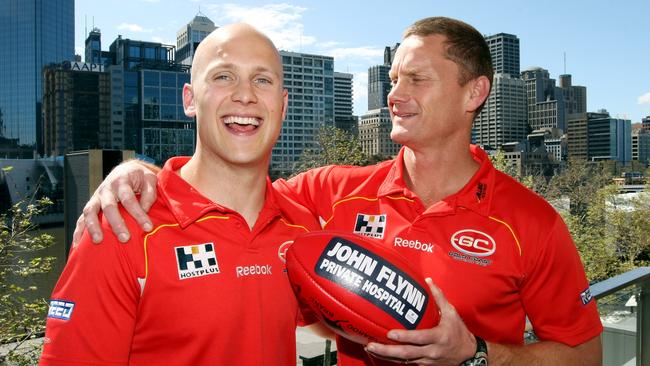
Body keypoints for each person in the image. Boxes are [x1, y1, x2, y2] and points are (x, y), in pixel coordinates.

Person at [76, 17, 603, 366]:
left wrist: (478, 353)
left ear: (474, 93)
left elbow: (588, 354)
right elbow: (230, 189)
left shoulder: (531, 221)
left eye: (416, 79)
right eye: (393, 78)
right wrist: (134, 170)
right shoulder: (334, 194)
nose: (394, 94)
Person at [40, 23, 321, 365]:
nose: (245, 95)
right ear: (189, 99)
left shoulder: (302, 228)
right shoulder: (121, 228)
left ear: (283, 104)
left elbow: (339, 318)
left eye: (262, 80)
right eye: (223, 77)